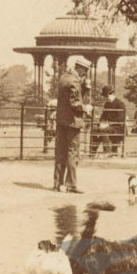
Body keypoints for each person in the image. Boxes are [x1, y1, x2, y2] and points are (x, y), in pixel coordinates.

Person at [54, 58, 93, 193]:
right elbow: (75, 102)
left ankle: (58, 183)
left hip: (61, 121)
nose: (85, 75)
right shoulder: (74, 81)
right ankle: (71, 184)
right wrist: (85, 108)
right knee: (72, 152)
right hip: (72, 122)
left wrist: (84, 89)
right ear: (82, 69)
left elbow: (69, 96)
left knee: (61, 151)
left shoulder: (64, 77)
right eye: (85, 72)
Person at [98, 85, 127, 157]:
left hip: (119, 127)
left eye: (106, 96)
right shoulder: (107, 104)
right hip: (110, 127)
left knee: (103, 130)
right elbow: (103, 116)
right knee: (95, 129)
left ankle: (107, 152)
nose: (105, 98)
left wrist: (108, 124)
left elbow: (120, 119)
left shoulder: (120, 104)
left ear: (110, 94)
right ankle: (92, 153)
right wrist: (101, 123)